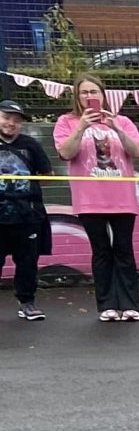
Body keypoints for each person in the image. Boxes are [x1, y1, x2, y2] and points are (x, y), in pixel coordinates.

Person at [54, 74, 139, 322]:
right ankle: (107, 304)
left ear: (103, 95)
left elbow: (137, 151)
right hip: (89, 199)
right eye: (84, 92)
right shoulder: (66, 121)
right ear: (77, 96)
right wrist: (81, 126)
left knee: (124, 250)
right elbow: (65, 152)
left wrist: (115, 127)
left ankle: (129, 305)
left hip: (122, 198)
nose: (89, 97)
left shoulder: (122, 121)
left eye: (94, 92)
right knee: (101, 251)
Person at [0, 98, 53, 321]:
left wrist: (25, 181)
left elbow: (48, 176)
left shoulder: (30, 144)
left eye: (16, 120)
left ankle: (27, 303)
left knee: (28, 262)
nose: (11, 123)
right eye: (6, 118)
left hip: (27, 215)